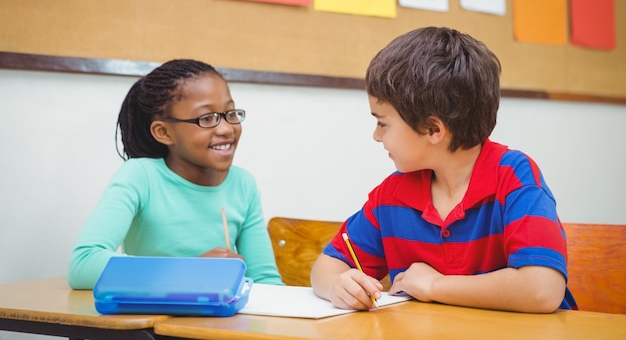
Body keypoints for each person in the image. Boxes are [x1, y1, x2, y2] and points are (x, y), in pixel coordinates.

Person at [310, 27, 577, 313]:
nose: (376, 135)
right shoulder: (393, 195)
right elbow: (324, 268)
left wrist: (435, 286)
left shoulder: (513, 177)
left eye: (383, 123)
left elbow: (542, 289)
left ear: (433, 129)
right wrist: (339, 284)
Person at [68, 59, 283, 289]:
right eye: (206, 118)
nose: (226, 128)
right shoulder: (141, 177)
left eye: (230, 113)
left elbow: (266, 283)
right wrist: (189, 270)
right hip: (153, 322)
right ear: (163, 132)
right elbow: (83, 265)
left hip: (220, 322)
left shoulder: (243, 185)